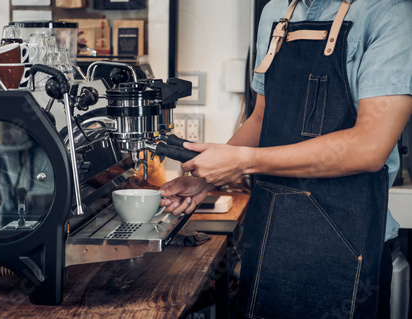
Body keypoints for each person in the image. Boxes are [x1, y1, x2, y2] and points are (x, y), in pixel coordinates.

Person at [160, 0, 412, 318]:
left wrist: (243, 161)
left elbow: (370, 147)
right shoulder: (276, 11)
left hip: (347, 250)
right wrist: (204, 179)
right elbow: (261, 119)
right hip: (268, 241)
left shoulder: (387, 12)